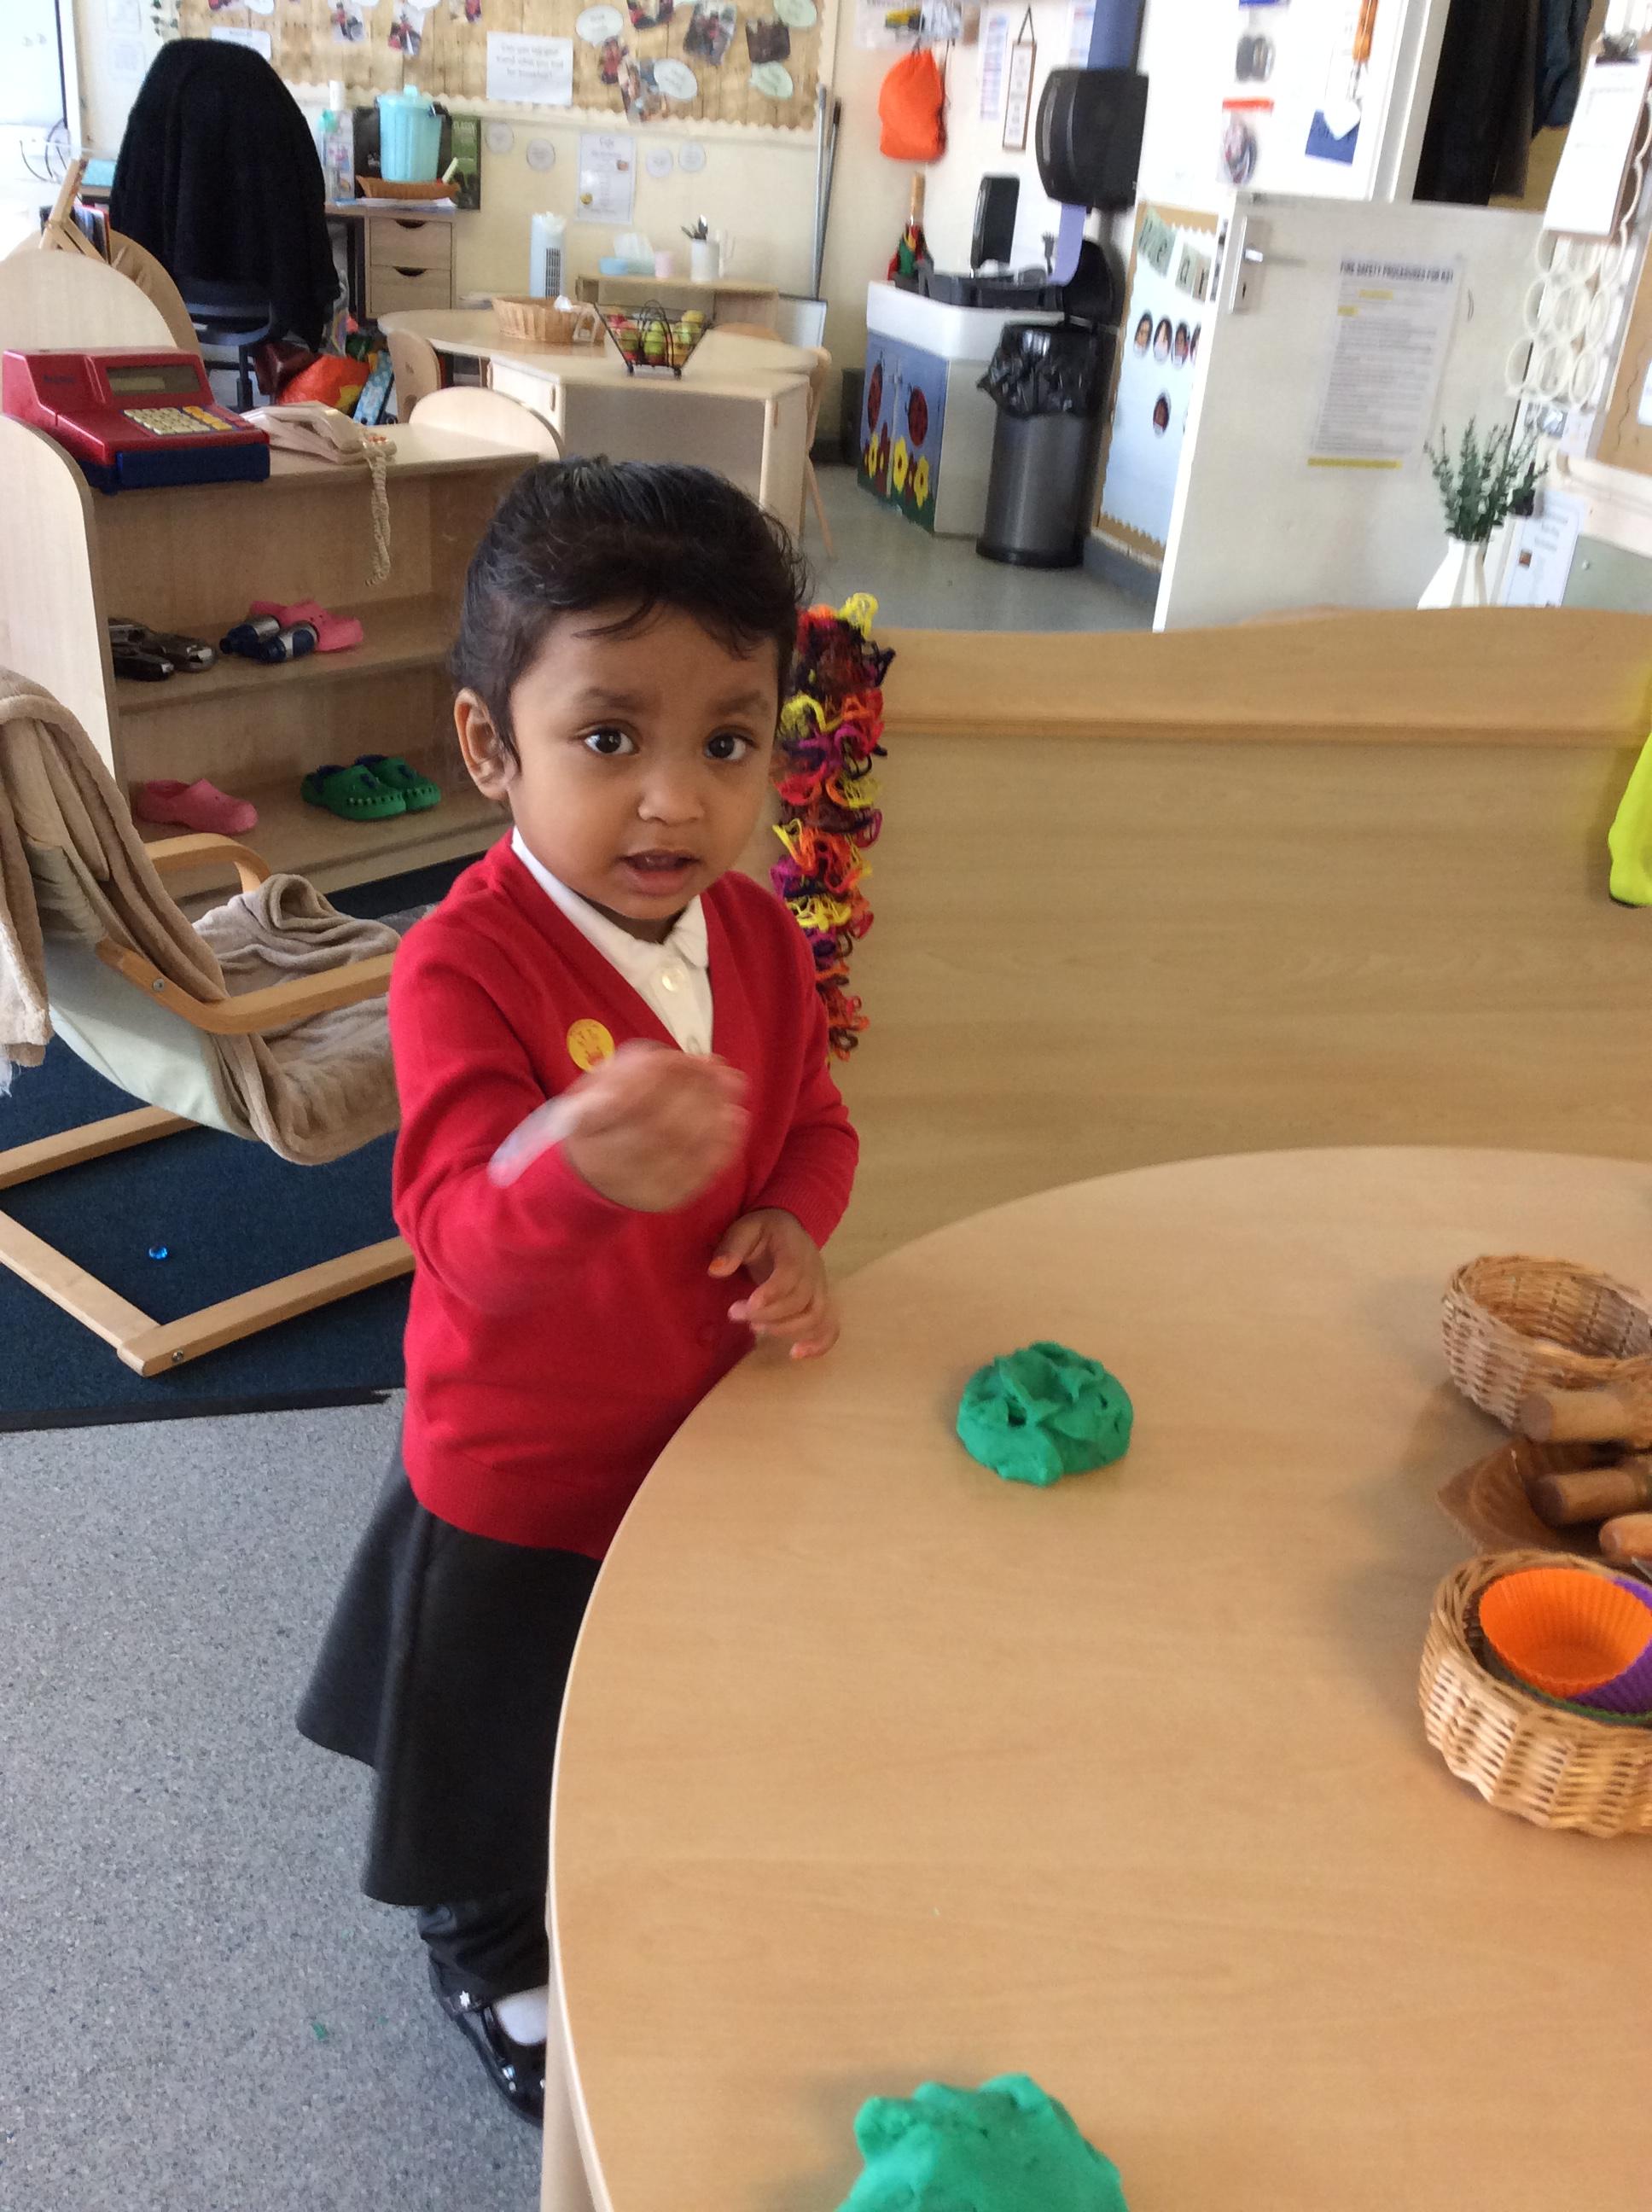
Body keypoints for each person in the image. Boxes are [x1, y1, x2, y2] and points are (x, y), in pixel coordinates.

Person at [298, 461, 859, 2127]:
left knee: (643, 1693)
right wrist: (566, 1162)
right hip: (522, 1462)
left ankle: (617, 1854)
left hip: (696, 1435)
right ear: (491, 747)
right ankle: (484, 1941)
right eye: (608, 738)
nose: (673, 800)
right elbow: (457, 1230)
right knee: (490, 1730)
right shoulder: (460, 961)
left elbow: (814, 1130)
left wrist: (794, 1223)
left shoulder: (759, 942)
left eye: (728, 743)